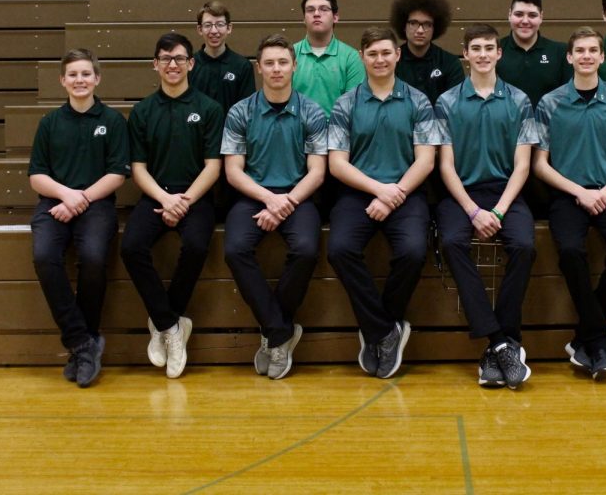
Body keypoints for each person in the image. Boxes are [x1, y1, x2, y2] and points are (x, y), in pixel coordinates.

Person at [327, 27, 440, 379]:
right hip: (359, 192)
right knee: (340, 249)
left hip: (405, 193)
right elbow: (337, 163)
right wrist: (378, 190)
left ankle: (380, 329)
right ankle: (385, 331)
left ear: (397, 55)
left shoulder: (419, 101)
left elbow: (426, 161)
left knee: (412, 252)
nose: (379, 59)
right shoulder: (345, 103)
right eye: (372, 54)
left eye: (386, 53)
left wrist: (393, 195)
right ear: (362, 57)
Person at [435, 24, 537, 389]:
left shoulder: (520, 101)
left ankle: (501, 342)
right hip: (461, 193)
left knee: (525, 245)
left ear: (499, 53)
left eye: (488, 47)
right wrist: (473, 210)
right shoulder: (446, 102)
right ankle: (500, 342)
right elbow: (444, 165)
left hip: (505, 192)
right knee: (451, 243)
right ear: (465, 55)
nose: (482, 53)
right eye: (475, 47)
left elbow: (523, 165)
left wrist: (497, 210)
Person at [534, 27, 606, 379]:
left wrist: (605, 192)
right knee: (569, 252)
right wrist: (579, 192)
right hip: (568, 194)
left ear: (601, 56)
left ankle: (586, 337)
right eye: (579, 50)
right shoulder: (549, 103)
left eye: (593, 50)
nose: (586, 56)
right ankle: (597, 340)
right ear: (569, 57)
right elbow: (539, 164)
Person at [221, 35, 327, 380]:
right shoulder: (241, 111)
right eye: (269, 63)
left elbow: (317, 171)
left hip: (298, 195)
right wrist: (269, 199)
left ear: (294, 66)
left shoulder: (311, 110)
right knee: (235, 249)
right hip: (254, 195)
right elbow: (233, 171)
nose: (277, 69)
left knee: (307, 249)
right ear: (258, 68)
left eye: (283, 62)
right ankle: (279, 332)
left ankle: (272, 333)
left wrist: (287, 201)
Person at [120, 33, 224, 379]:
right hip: (155, 196)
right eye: (165, 59)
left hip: (195, 197)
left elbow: (214, 166)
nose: (173, 65)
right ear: (155, 64)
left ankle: (167, 321)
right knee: (131, 247)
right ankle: (171, 326)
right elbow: (137, 168)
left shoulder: (208, 109)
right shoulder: (143, 111)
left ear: (191, 63)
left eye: (179, 58)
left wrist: (184, 201)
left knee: (196, 245)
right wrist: (165, 199)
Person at [28, 49, 130, 388]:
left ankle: (82, 345)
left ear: (97, 78)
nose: (80, 80)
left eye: (86, 74)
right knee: (44, 257)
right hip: (53, 204)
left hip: (96, 204)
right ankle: (83, 342)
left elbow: (117, 173)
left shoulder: (112, 121)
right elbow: (36, 176)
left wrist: (81, 198)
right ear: (62, 80)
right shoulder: (49, 123)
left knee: (93, 258)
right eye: (73, 74)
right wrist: (66, 195)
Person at [293, 0, 366, 117]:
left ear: (336, 17)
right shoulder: (290, 54)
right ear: (303, 18)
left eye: (323, 9)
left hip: (337, 132)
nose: (316, 13)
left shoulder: (351, 57)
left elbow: (353, 107)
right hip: (297, 132)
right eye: (310, 10)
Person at [390, 0, 465, 105]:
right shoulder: (392, 63)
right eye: (413, 23)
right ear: (404, 26)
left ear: (435, 28)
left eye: (427, 24)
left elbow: (455, 106)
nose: (420, 30)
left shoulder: (449, 63)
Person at [496, 0, 571, 107]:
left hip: (549, 125)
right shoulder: (494, 51)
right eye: (519, 14)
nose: (525, 21)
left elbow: (569, 100)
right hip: (506, 125)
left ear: (541, 17)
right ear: (509, 15)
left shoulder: (560, 52)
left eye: (532, 15)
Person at [188, 1, 256, 113]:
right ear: (200, 29)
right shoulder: (189, 65)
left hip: (231, 131)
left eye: (220, 24)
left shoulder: (243, 66)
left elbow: (247, 111)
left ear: (229, 28)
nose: (214, 31)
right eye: (208, 25)